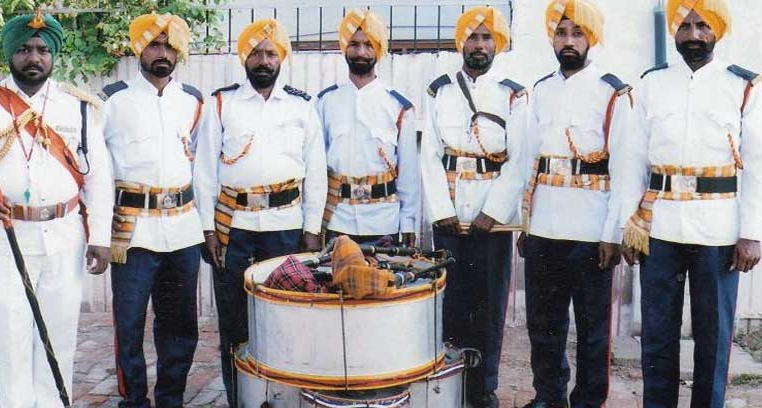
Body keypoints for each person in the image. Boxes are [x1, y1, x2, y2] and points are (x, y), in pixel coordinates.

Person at [0, 11, 112, 407]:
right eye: (24, 49)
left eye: (43, 50)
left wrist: (100, 237)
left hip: (66, 233)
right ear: (9, 54)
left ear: (53, 56)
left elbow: (99, 176)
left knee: (59, 333)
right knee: (13, 332)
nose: (34, 57)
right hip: (5, 234)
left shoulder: (79, 108)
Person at [619, 1, 762, 406]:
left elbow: (758, 166)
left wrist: (750, 234)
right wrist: (628, 226)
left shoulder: (743, 86)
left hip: (718, 231)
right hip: (660, 228)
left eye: (702, 25)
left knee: (714, 338)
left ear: (716, 30)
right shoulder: (652, 84)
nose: (693, 35)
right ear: (674, 31)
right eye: (684, 26)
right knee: (657, 335)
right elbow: (633, 160)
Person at [194, 18, 327, 407]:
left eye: (271, 52)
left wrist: (313, 229)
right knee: (234, 320)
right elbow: (204, 172)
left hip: (286, 226)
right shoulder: (222, 103)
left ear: (282, 57)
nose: (263, 60)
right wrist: (207, 229)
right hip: (233, 227)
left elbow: (315, 170)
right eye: (255, 52)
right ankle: (241, 398)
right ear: (244, 58)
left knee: (287, 316)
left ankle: (285, 397)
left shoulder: (303, 106)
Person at [518, 1, 632, 407]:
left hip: (591, 229)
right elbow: (527, 161)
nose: (568, 42)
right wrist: (525, 224)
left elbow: (625, 168)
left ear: (591, 39)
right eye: (561, 33)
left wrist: (613, 233)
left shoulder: (612, 92)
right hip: (545, 226)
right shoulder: (541, 90)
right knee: (543, 325)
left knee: (592, 329)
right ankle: (549, 396)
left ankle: (587, 400)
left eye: (577, 34)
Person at [419, 6, 527, 407]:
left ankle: (484, 390)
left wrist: (494, 210)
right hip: (449, 215)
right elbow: (428, 153)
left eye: (487, 38)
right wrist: (440, 208)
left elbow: (519, 158)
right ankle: (449, 388)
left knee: (488, 307)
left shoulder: (512, 94)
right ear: (460, 42)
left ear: (497, 44)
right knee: (450, 305)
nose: (478, 45)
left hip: (489, 221)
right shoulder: (439, 91)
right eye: (472, 37)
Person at [99, 13, 206, 408]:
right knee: (129, 325)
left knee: (179, 325)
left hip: (182, 229)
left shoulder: (192, 101)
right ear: (138, 48)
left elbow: (203, 167)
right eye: (154, 45)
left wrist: (208, 227)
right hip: (134, 229)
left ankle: (171, 399)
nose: (162, 53)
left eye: (170, 46)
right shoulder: (112, 100)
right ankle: (135, 401)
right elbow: (95, 169)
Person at [317, 9, 419, 246]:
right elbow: (316, 167)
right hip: (336, 219)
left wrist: (408, 223)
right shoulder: (326, 102)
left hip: (384, 220)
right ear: (345, 47)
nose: (361, 52)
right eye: (354, 44)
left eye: (368, 44)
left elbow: (409, 176)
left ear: (379, 49)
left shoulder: (397, 105)